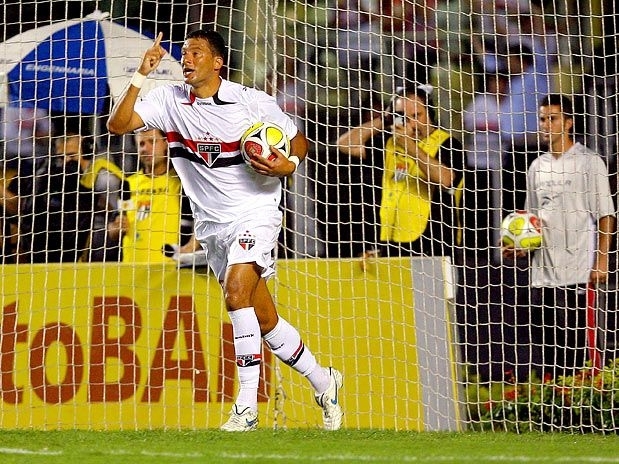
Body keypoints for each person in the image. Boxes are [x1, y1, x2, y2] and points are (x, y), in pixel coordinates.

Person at [107, 29, 343, 431]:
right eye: (184, 53)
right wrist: (141, 74)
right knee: (264, 320)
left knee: (236, 294)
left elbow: (298, 141)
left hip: (255, 212)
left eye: (196, 52)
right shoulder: (168, 100)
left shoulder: (250, 101)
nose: (186, 59)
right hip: (211, 225)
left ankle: (246, 408)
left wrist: (289, 165)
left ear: (217, 62)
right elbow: (118, 124)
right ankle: (324, 381)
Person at [502, 94, 616, 380]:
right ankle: (555, 403)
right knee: (549, 354)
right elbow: (531, 220)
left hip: (578, 272)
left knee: (580, 352)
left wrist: (601, 261)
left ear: (568, 123)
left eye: (552, 118)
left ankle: (589, 400)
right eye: (542, 119)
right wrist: (519, 247)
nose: (545, 125)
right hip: (542, 275)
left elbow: (606, 214)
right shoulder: (536, 167)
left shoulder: (589, 162)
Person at [336, 84, 466, 262]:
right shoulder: (390, 143)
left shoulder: (448, 144)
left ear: (429, 114)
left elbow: (446, 179)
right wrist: (384, 120)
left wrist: (409, 146)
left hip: (433, 245)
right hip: (391, 242)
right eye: (402, 116)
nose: (410, 122)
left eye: (416, 115)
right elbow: (345, 144)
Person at [3, 129, 122, 263]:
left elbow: (116, 216)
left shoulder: (104, 179)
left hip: (100, 249)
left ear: (88, 154)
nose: (66, 162)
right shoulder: (56, 178)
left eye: (72, 156)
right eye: (61, 157)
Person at [106, 128, 194, 263]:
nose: (145, 148)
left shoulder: (181, 182)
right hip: (130, 267)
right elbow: (113, 229)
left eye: (152, 142)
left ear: (166, 143)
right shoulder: (128, 183)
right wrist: (116, 228)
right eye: (141, 144)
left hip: (169, 267)